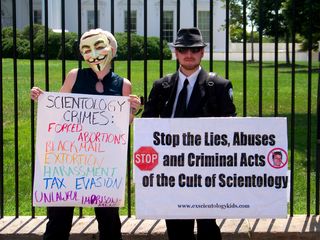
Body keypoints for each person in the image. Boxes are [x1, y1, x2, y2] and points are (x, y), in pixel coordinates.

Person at [31, 28, 141, 240]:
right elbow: (59, 108)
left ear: (112, 50)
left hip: (103, 162)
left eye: (99, 47)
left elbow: (121, 126)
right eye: (86, 49)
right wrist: (42, 98)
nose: (93, 53)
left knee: (109, 223)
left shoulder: (123, 84)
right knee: (58, 222)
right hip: (69, 159)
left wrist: (132, 110)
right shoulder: (74, 76)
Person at [142, 27, 236, 240]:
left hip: (206, 168)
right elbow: (147, 126)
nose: (189, 54)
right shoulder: (162, 85)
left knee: (207, 227)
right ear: (176, 52)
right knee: (176, 229)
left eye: (194, 49)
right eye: (183, 49)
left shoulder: (218, 85)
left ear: (202, 52)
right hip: (171, 168)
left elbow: (231, 129)